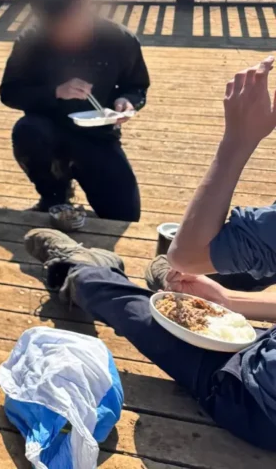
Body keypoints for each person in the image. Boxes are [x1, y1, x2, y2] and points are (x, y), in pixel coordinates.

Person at [24, 57, 276, 451]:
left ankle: (80, 270)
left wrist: (239, 139)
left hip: (252, 396)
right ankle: (170, 287)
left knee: (133, 307)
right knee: (186, 291)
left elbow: (188, 254)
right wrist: (230, 302)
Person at [0, 0, 149, 222]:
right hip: (47, 128)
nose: (67, 31)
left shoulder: (119, 39)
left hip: (98, 136)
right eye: (56, 26)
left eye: (73, 20)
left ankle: (79, 172)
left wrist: (128, 102)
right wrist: (56, 92)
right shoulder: (31, 41)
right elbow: (10, 92)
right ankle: (54, 195)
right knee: (26, 131)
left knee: (125, 215)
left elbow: (137, 86)